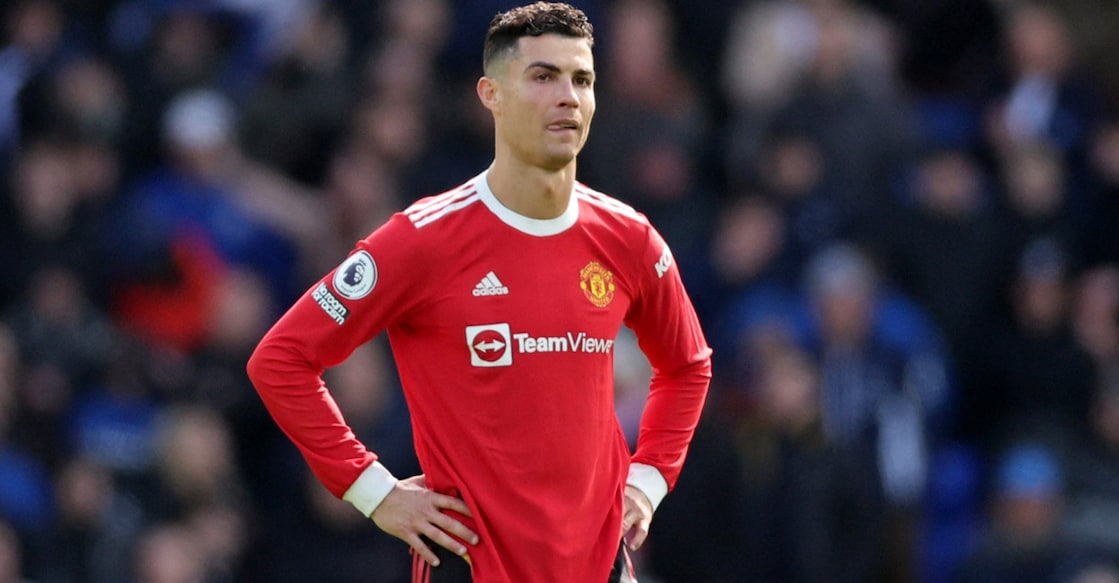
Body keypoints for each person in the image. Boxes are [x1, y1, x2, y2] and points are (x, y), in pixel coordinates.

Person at [245, 3, 712, 582]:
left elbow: (687, 365)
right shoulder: (424, 239)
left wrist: (648, 480)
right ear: (491, 95)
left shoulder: (628, 237)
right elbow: (281, 360)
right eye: (543, 76)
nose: (567, 97)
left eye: (582, 79)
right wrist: (374, 491)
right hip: (471, 566)